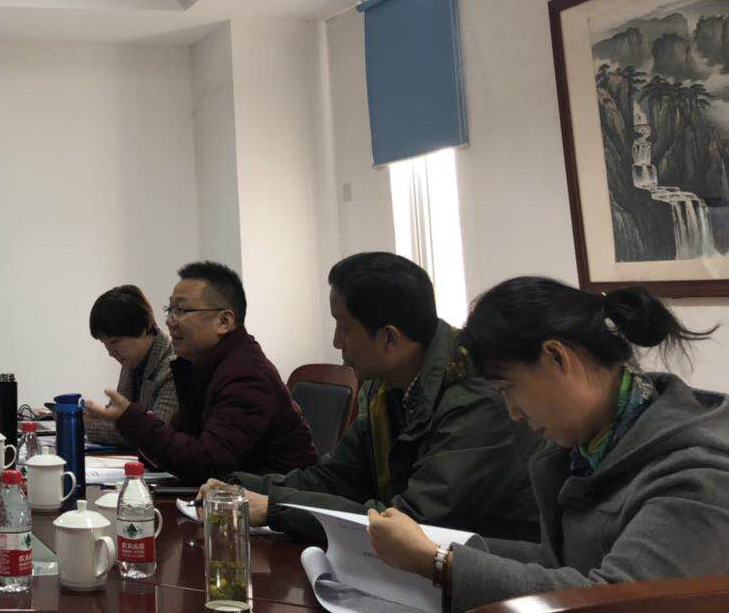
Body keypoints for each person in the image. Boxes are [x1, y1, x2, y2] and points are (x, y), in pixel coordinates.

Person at [367, 276, 729, 613]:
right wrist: (437, 547)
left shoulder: (696, 473)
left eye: (509, 389)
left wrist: (437, 562)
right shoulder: (590, 448)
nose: (513, 413)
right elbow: (562, 563)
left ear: (557, 357)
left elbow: (616, 599)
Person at [200, 251, 540, 542]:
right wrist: (241, 487)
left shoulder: (479, 398)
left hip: (494, 581)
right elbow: (337, 478)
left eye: (344, 327)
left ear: (389, 338)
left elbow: (411, 520)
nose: (336, 341)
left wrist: (276, 509)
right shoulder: (384, 386)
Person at [85, 260, 317, 484]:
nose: (169, 321)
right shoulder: (202, 365)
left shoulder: (247, 376)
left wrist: (131, 419)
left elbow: (205, 463)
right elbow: (177, 444)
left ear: (224, 321)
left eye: (181, 310)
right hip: (227, 495)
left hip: (275, 502)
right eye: (169, 309)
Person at [83, 285, 178, 449]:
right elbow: (117, 417)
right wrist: (92, 415)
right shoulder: (133, 359)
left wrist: (87, 425)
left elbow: (156, 432)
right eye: (104, 343)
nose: (110, 352)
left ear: (143, 328)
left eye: (114, 342)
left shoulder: (174, 365)